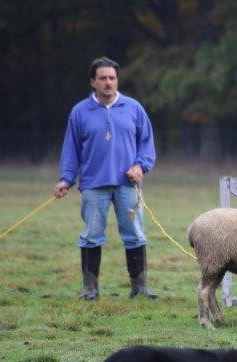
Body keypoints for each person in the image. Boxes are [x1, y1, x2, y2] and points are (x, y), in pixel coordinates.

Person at [54, 57, 157, 300]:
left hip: (127, 185)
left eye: (112, 78)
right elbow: (71, 150)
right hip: (93, 185)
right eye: (103, 78)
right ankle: (90, 289)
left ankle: (139, 289)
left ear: (117, 80)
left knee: (135, 234)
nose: (108, 82)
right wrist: (65, 180)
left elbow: (147, 145)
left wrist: (141, 167)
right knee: (91, 235)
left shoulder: (134, 108)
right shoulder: (79, 112)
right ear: (93, 82)